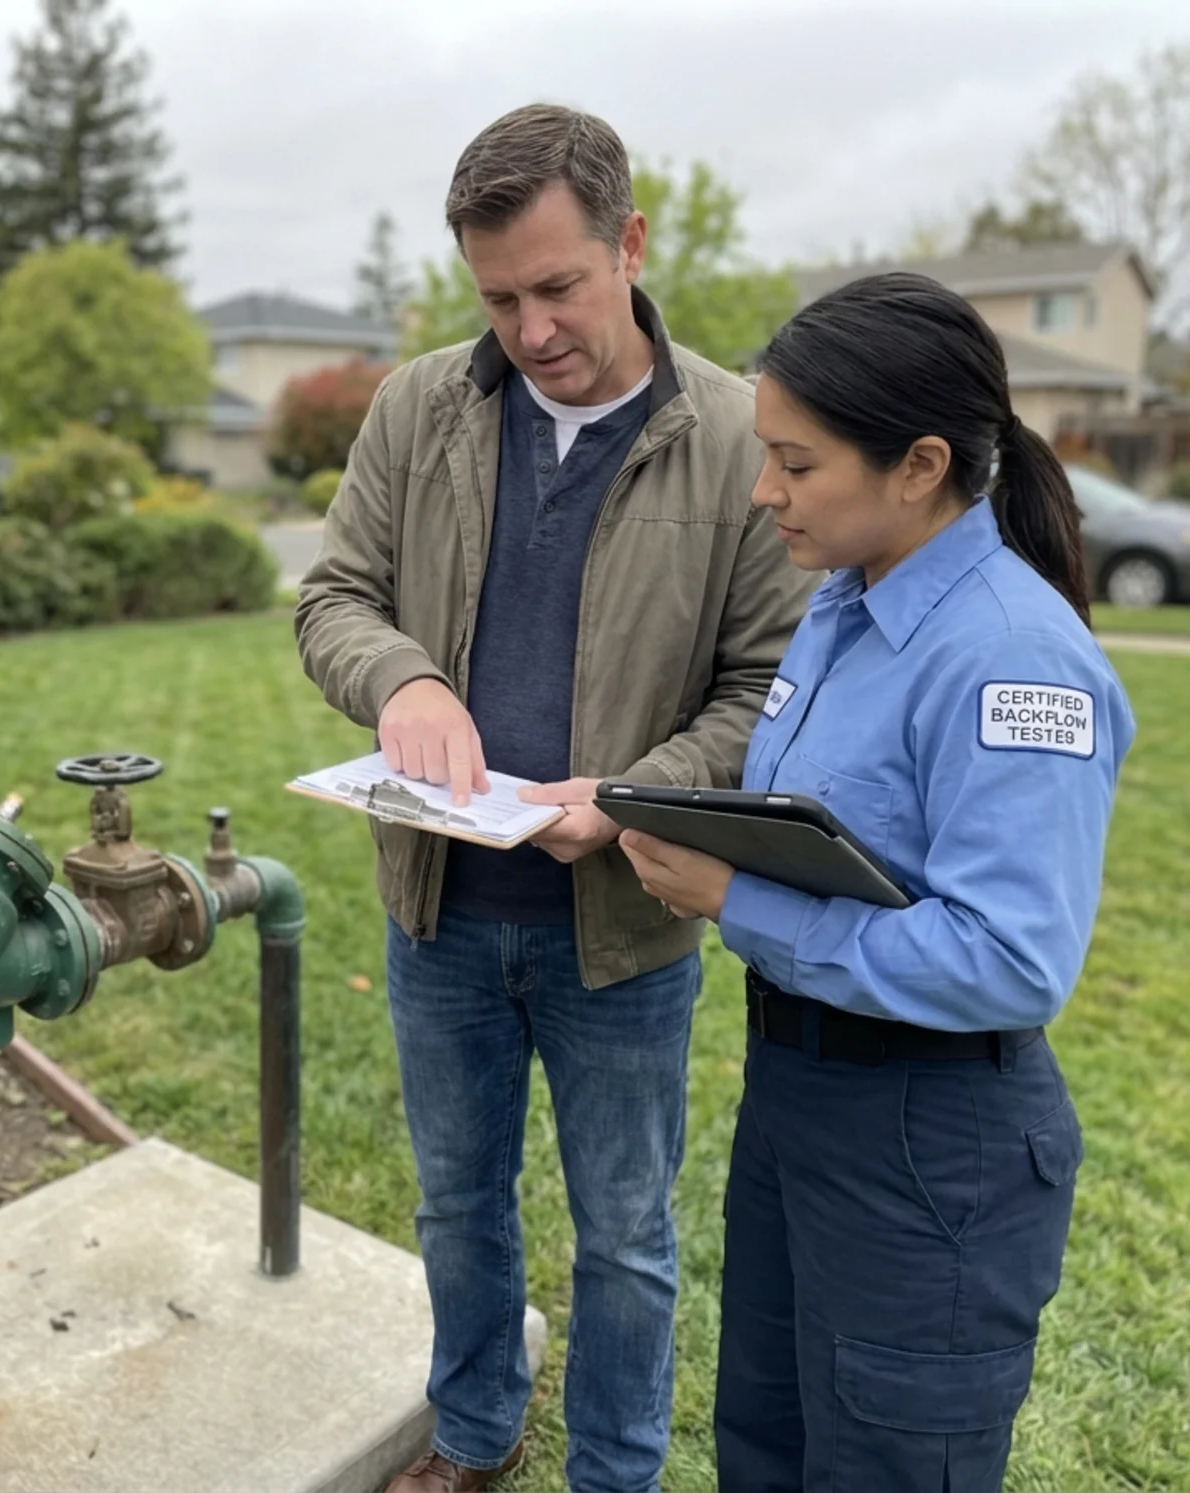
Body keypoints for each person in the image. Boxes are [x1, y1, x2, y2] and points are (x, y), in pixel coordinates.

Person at [294, 104, 812, 1493]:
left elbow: (771, 689)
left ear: (630, 244)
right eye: (499, 297)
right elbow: (334, 596)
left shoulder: (734, 434)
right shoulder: (418, 409)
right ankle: (474, 1433)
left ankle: (616, 1473)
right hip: (441, 912)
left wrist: (641, 796)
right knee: (458, 1207)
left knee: (627, 1236)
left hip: (621, 934)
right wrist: (399, 678)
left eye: (559, 286)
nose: (530, 329)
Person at [617, 272, 1134, 1493]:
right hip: (801, 1097)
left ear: (917, 464)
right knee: (766, 1437)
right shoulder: (843, 603)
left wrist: (735, 901)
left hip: (928, 1138)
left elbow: (1010, 959)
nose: (763, 492)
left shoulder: (1013, 660)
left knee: (886, 1463)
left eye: (795, 464)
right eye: (764, 456)